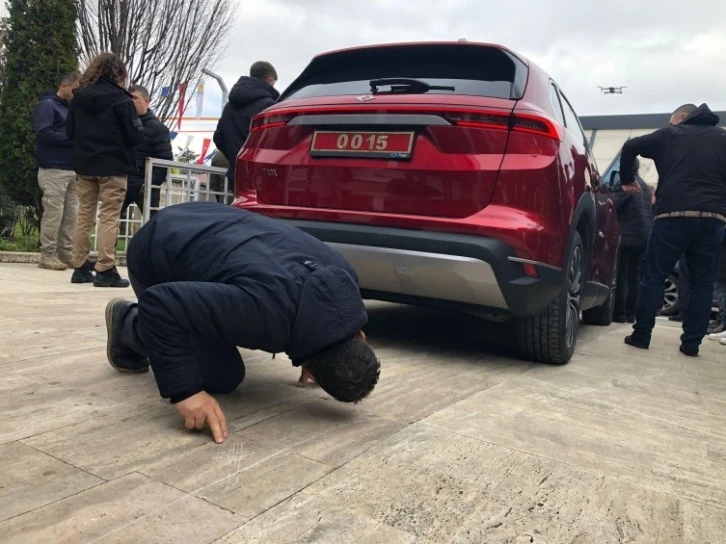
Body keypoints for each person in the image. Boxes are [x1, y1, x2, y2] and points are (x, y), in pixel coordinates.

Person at [104, 201, 380, 443]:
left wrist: (321, 342)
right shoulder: (267, 313)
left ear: (360, 336)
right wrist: (186, 392)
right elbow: (159, 303)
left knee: (223, 326)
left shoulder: (345, 280)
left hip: (204, 214)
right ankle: (127, 321)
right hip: (157, 250)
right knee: (222, 377)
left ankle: (192, 310)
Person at [621, 104, 726, 357]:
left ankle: (642, 334)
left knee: (654, 275)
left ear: (681, 118)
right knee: (703, 283)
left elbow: (630, 146)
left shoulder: (671, 134)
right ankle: (691, 343)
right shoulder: (723, 137)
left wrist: (626, 180)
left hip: (673, 215)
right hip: (713, 218)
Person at [66, 53, 143, 288]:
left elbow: (70, 133)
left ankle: (79, 267)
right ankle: (105, 267)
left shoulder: (78, 98)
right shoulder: (121, 100)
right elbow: (135, 135)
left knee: (84, 214)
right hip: (113, 165)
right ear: (119, 74)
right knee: (109, 215)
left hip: (85, 165)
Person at [32, 73, 80, 271]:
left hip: (71, 169)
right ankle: (47, 254)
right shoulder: (47, 106)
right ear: (64, 85)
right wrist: (72, 139)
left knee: (71, 215)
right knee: (54, 213)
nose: (77, 94)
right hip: (53, 169)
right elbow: (43, 133)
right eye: (75, 89)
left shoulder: (70, 110)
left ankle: (65, 253)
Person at [213, 61, 279, 189]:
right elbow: (275, 141)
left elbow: (218, 138)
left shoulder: (229, 106)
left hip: (237, 174)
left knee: (238, 208)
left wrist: (236, 158)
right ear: (270, 81)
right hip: (263, 175)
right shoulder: (270, 106)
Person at [121, 84, 173, 220]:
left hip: (144, 183)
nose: (131, 102)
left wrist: (149, 184)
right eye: (128, 98)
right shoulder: (122, 124)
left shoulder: (158, 129)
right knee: (110, 221)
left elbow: (165, 160)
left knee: (153, 223)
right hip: (122, 180)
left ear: (147, 101)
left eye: (135, 98)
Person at [611, 158, 653, 323]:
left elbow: (613, 203)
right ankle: (630, 314)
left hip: (629, 235)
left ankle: (619, 313)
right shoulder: (645, 186)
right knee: (634, 276)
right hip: (644, 235)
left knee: (622, 273)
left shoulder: (629, 184)